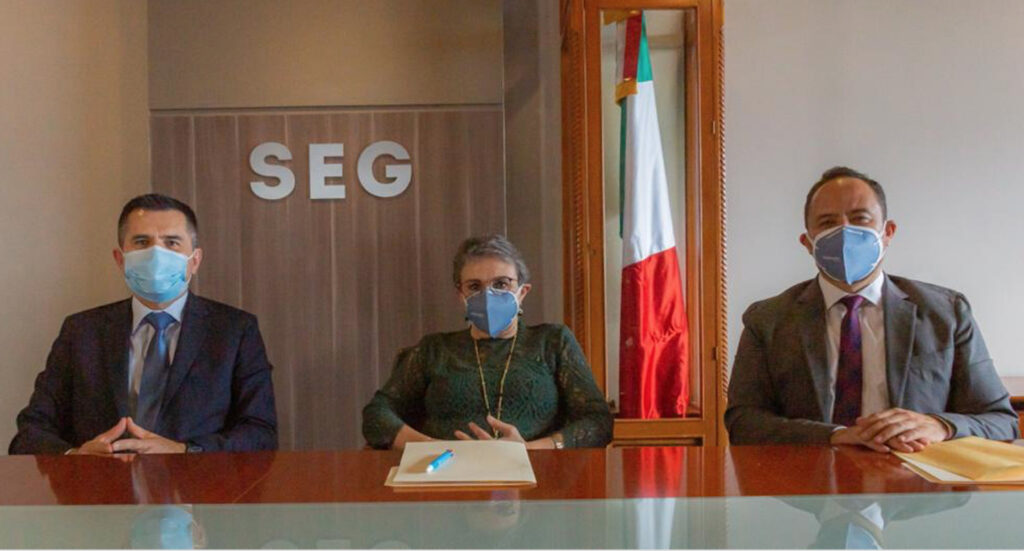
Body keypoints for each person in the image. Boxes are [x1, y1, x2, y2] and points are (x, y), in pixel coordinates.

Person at [725, 167, 1017, 452]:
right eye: (827, 222)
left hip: (916, 478)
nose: (844, 232)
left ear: (888, 232)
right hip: (811, 476)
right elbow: (743, 423)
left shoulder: (947, 313)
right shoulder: (768, 320)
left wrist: (940, 426)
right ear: (807, 243)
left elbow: (1000, 421)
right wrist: (836, 436)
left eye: (860, 219)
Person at [9, 193, 277, 455]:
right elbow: (31, 430)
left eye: (171, 243)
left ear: (195, 261)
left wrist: (185, 451)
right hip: (100, 483)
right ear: (120, 259)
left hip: (195, 482)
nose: (156, 254)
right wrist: (77, 457)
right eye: (142, 242)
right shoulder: (81, 331)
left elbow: (261, 433)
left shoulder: (235, 331)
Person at [362, 234, 612, 449]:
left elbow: (598, 421)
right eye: (474, 286)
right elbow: (376, 415)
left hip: (534, 473)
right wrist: (433, 448)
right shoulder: (434, 349)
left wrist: (530, 450)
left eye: (501, 284)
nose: (488, 295)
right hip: (448, 473)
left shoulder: (553, 341)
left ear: (522, 292)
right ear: (461, 295)